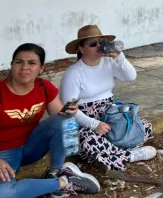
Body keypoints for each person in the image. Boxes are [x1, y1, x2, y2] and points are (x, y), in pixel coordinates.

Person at [0, 43, 100, 198]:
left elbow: (60, 121)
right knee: (3, 193)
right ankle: (64, 182)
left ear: (41, 68)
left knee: (65, 121)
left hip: (32, 146)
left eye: (32, 63)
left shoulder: (43, 86)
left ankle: (55, 172)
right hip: (4, 154)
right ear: (11, 66)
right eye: (19, 62)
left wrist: (70, 112)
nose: (24, 67)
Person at [60, 26, 156, 172]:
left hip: (110, 113)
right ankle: (130, 155)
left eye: (102, 42)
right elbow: (68, 108)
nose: (99, 46)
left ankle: (112, 153)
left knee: (144, 126)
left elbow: (130, 76)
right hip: (85, 118)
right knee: (88, 141)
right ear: (81, 48)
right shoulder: (73, 73)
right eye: (93, 43)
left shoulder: (108, 62)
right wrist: (93, 124)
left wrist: (119, 56)